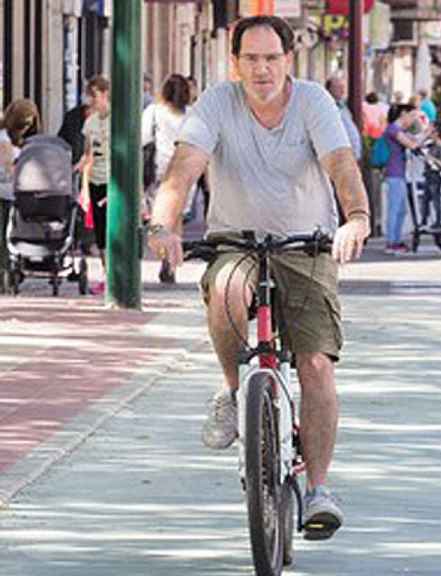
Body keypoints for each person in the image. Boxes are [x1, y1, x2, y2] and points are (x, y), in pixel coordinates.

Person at [146, 15, 370, 541]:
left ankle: (317, 487)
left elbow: (340, 164)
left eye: (271, 58)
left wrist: (356, 217)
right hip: (237, 242)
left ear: (287, 60)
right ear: (236, 61)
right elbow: (184, 169)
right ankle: (233, 392)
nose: (262, 69)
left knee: (315, 363)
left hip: (307, 244)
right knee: (225, 288)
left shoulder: (313, 101)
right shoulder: (219, 103)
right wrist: (163, 224)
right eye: (251, 59)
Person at [142, 73, 194, 284]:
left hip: (158, 169)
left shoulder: (154, 112)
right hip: (186, 169)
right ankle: (171, 263)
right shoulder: (192, 114)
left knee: (159, 214)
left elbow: (143, 138)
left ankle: (163, 255)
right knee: (177, 217)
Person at [0, 99, 41, 294]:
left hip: (16, 193)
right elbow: (8, 170)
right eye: (24, 123)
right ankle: (4, 274)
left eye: (30, 123)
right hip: (5, 193)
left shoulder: (21, 141)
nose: (26, 127)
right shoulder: (4, 139)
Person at [77, 75, 112, 294]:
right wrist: (84, 188)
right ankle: (106, 274)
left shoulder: (118, 119)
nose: (92, 101)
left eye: (95, 96)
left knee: (113, 230)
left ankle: (116, 274)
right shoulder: (90, 122)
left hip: (114, 180)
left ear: (105, 94)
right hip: (96, 179)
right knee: (100, 232)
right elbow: (88, 154)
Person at [382, 104, 420, 254]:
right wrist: (427, 134)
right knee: (395, 209)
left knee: (401, 210)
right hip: (394, 173)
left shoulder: (398, 130)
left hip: (399, 173)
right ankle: (391, 242)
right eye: (411, 116)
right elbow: (412, 145)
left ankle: (396, 240)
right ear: (403, 114)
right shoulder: (393, 130)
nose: (412, 121)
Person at [325, 74, 363, 162]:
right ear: (329, 89)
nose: (342, 90)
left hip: (351, 156)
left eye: (343, 87)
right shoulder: (327, 106)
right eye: (338, 87)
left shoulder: (342, 106)